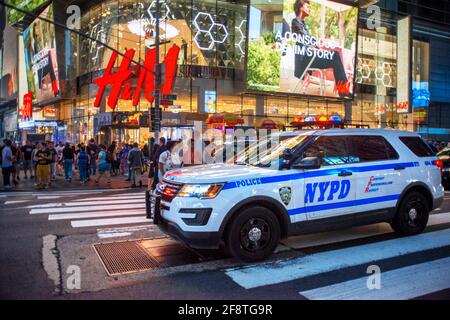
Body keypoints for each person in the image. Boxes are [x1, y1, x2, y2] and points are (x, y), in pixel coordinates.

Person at [292, 0, 349, 97]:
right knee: (335, 56)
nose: (309, 9)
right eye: (307, 6)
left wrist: (319, 44)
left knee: (335, 57)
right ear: (301, 7)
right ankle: (343, 91)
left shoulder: (302, 23)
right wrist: (317, 42)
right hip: (305, 59)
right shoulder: (295, 21)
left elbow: (310, 41)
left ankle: (343, 91)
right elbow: (305, 39)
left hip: (310, 57)